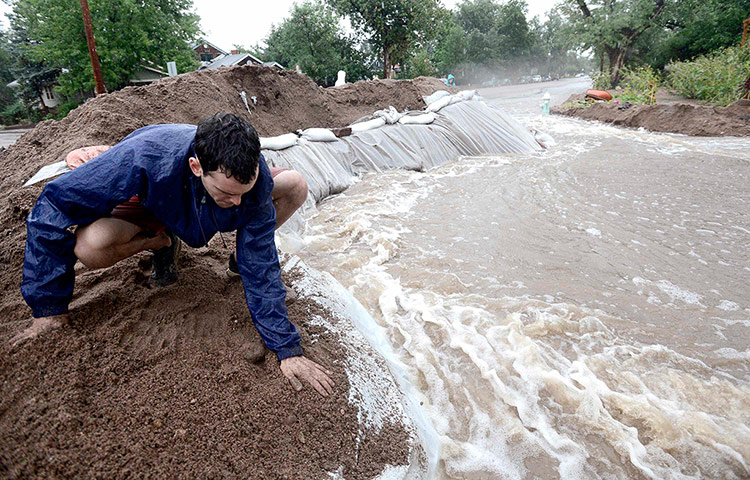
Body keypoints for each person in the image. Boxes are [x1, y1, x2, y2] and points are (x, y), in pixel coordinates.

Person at [14, 113, 334, 396]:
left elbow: (262, 264)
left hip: (199, 206)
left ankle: (235, 256)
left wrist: (287, 349)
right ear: (196, 167)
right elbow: (53, 206)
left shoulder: (255, 182)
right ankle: (159, 243)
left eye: (243, 192)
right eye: (227, 193)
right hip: (153, 198)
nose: (238, 203)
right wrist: (48, 310)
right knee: (90, 248)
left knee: (292, 186)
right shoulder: (143, 156)